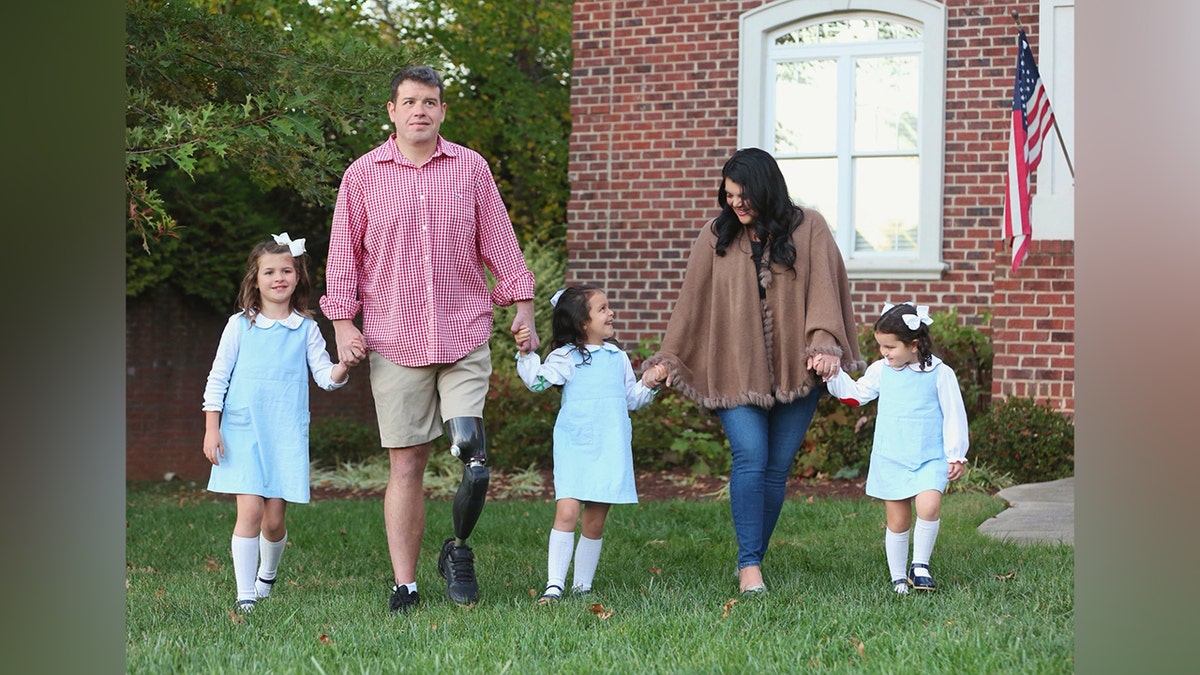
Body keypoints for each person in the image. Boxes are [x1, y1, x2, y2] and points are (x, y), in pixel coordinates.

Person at [320, 65, 540, 612]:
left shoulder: (470, 169)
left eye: (431, 102)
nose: (421, 110)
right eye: (410, 102)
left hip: (463, 333)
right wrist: (344, 322)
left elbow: (501, 245)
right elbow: (345, 256)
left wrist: (525, 309)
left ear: (442, 111)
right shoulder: (362, 175)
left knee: (474, 457)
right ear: (392, 112)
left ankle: (458, 549)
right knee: (407, 464)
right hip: (395, 340)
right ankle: (406, 584)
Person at [643, 147, 863, 594]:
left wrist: (824, 343)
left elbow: (826, 287)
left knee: (776, 469)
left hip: (798, 368)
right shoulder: (714, 235)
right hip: (734, 368)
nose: (737, 205)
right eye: (729, 196)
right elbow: (691, 303)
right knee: (750, 457)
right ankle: (749, 567)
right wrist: (668, 358)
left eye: (744, 196)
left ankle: (753, 559)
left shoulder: (809, 227)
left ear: (766, 189)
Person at [202, 233, 360, 612]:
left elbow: (325, 375)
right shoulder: (240, 325)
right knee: (251, 512)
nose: (278, 278)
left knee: (273, 521)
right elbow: (218, 377)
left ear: (297, 276)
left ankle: (266, 578)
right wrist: (212, 426)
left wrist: (343, 366)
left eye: (286, 270)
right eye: (269, 271)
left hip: (285, 433)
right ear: (255, 280)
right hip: (241, 429)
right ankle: (244, 596)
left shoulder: (305, 329)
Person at [513, 286, 667, 604]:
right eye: (602, 309)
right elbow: (537, 382)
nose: (610, 314)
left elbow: (632, 399)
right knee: (567, 512)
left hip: (610, 447)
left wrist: (650, 383)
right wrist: (527, 355)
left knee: (594, 521)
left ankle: (582, 586)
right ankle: (554, 585)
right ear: (583, 322)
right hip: (575, 445)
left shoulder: (617, 358)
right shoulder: (565, 357)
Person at [822, 302, 968, 594]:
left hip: (929, 456)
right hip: (892, 456)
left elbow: (954, 413)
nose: (884, 353)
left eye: (890, 347)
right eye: (881, 347)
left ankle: (921, 566)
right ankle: (899, 577)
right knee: (898, 520)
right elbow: (855, 396)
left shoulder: (940, 373)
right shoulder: (881, 370)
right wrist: (834, 374)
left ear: (914, 345)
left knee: (929, 506)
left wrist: (955, 453)